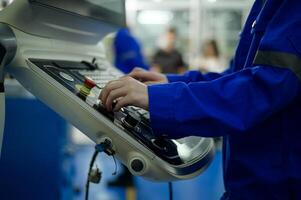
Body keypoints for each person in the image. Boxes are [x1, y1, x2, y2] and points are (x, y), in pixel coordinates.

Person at [99, 0, 301, 199]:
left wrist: (160, 98)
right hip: (248, 186)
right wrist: (168, 82)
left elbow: (261, 89)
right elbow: (236, 76)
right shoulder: (265, 5)